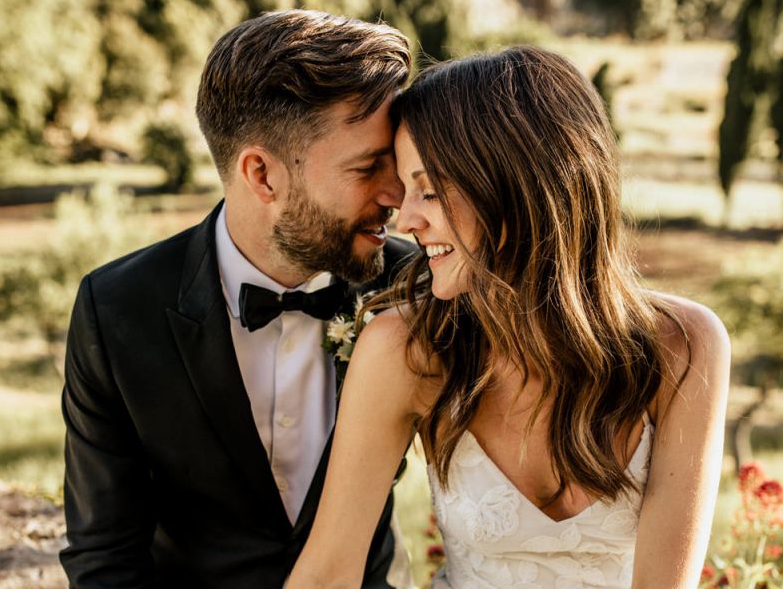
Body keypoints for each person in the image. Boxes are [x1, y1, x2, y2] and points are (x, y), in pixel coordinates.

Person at [287, 46, 731, 589]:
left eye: (428, 190)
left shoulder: (684, 345)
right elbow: (327, 575)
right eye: (407, 192)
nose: (406, 220)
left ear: (513, 188)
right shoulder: (405, 350)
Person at [60, 10, 419, 588]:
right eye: (368, 166)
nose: (397, 193)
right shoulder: (117, 311)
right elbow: (104, 557)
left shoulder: (419, 283)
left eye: (396, 162)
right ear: (262, 174)